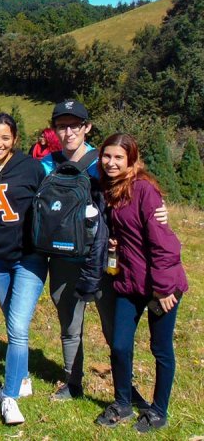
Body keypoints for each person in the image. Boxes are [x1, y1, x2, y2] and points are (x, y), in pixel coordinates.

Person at [42, 100, 164, 403]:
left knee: (114, 329)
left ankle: (126, 389)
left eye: (75, 125)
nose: (68, 132)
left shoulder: (104, 161)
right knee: (70, 325)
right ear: (55, 129)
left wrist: (160, 211)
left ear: (87, 128)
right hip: (62, 258)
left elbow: (136, 187)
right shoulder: (46, 163)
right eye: (62, 125)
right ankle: (73, 382)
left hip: (104, 261)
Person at [95, 133, 187, 432]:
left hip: (161, 285)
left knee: (160, 347)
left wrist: (161, 289)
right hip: (128, 281)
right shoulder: (111, 189)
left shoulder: (145, 191)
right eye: (107, 156)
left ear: (132, 160)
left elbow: (164, 245)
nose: (111, 162)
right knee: (120, 345)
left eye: (118, 157)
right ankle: (122, 404)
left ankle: (159, 410)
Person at [0, 113, 46, 425]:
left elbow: (53, 199)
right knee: (10, 320)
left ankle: (11, 396)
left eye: (5, 138)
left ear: (15, 140)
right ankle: (25, 377)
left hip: (28, 256)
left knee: (17, 327)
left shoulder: (30, 167)